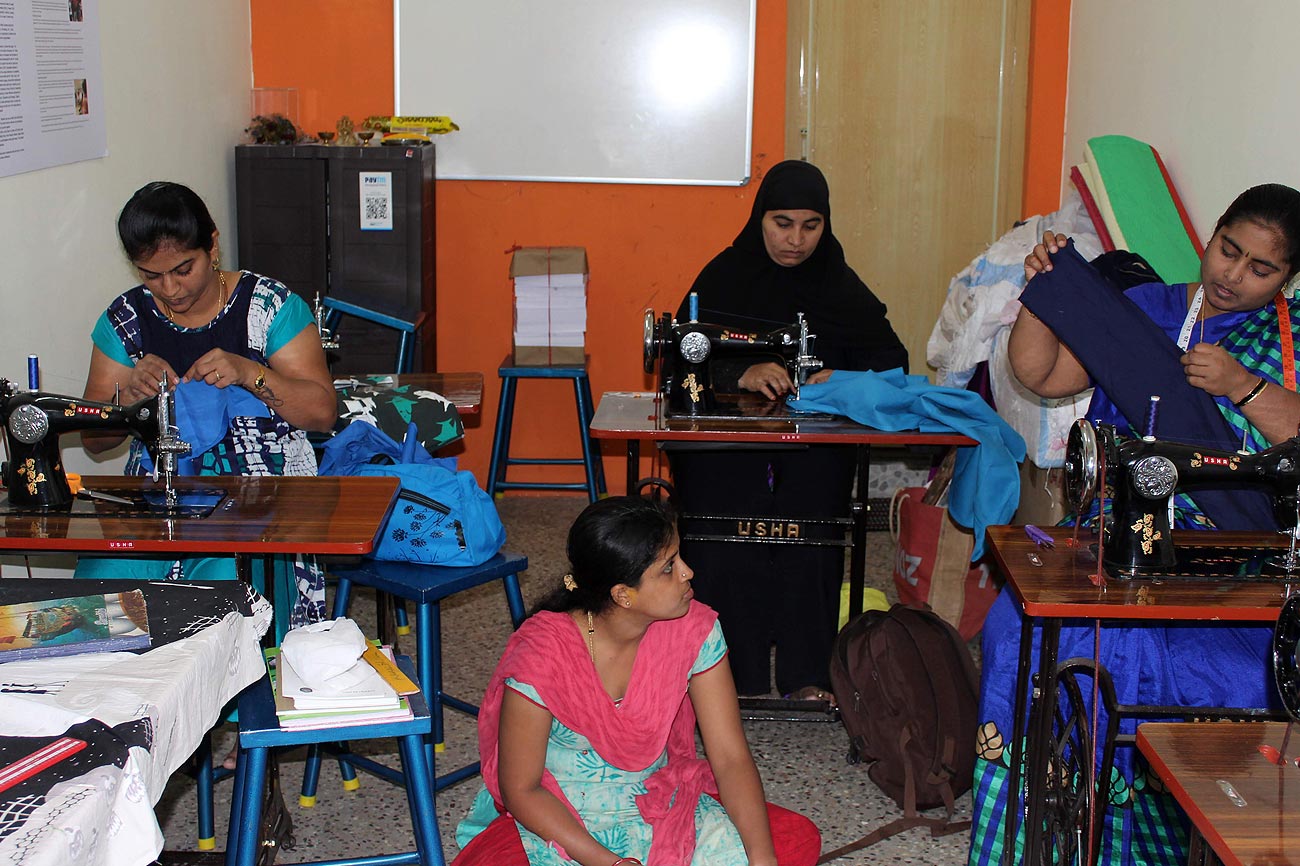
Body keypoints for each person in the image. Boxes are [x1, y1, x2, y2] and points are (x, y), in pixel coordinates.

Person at [968, 183, 1300, 866]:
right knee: (1019, 631)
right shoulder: (1148, 309)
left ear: (1288, 279)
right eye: (1228, 250)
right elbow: (1041, 375)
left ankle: (1185, 842)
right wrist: (1045, 295)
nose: (1233, 274)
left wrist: (1242, 385)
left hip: (1236, 553)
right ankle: (1041, 841)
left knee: (1240, 671)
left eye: (1260, 268)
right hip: (1117, 532)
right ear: (1212, 234)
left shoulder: (1287, 342)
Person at [453, 496, 821, 866]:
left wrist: (762, 859)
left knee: (792, 840)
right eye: (669, 567)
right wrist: (609, 863)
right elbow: (522, 789)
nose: (688, 572)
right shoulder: (545, 653)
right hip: (559, 816)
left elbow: (730, 758)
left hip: (657, 802)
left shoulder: (693, 630)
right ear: (622, 595)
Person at [667, 160, 908, 701]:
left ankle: (808, 674)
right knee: (724, 533)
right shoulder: (724, 277)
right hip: (729, 444)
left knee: (814, 532)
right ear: (760, 219)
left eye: (810, 225)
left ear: (826, 224)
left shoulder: (838, 284)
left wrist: (841, 377)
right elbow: (679, 361)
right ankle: (732, 675)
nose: (796, 240)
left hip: (811, 440)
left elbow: (893, 359)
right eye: (782, 223)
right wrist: (738, 373)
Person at [80, 181, 336, 629]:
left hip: (260, 493)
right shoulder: (127, 320)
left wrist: (249, 372)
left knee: (227, 596)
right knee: (98, 597)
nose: (170, 289)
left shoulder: (267, 308)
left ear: (212, 246)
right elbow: (94, 440)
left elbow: (322, 412)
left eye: (183, 269)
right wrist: (128, 399)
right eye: (151, 275)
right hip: (159, 498)